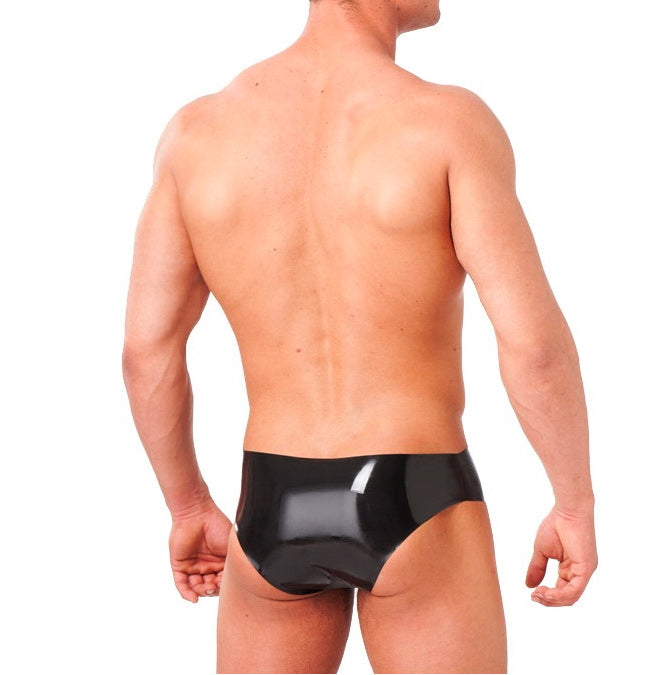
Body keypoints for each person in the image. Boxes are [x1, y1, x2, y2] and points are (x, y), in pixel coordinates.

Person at [122, 0, 598, 672]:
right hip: (416, 494)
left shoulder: (195, 134)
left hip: (270, 503)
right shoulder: (448, 123)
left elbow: (146, 353)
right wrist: (573, 503)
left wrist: (187, 505)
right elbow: (535, 347)